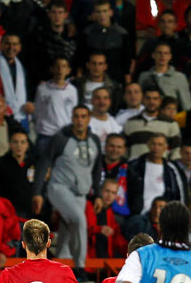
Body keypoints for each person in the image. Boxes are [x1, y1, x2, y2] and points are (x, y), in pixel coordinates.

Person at [34, 105, 102, 270]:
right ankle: (80, 266)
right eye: (76, 116)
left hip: (81, 193)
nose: (80, 120)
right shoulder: (60, 138)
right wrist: (37, 192)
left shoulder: (95, 140)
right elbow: (44, 163)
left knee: (68, 229)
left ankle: (62, 266)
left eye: (83, 116)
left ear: (89, 119)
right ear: (72, 118)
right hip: (59, 188)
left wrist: (98, 194)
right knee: (79, 220)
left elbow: (97, 169)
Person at [125, 133, 185, 216]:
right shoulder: (134, 165)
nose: (156, 148)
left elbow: (179, 195)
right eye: (153, 144)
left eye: (160, 144)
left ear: (165, 147)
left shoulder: (171, 169)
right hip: (137, 214)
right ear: (148, 145)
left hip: (162, 217)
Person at [77, 0, 132, 84]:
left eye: (105, 11)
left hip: (115, 80)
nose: (102, 15)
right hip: (91, 79)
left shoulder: (122, 33)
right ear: (94, 14)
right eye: (98, 12)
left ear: (111, 12)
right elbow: (81, 55)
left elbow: (126, 58)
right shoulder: (87, 32)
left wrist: (127, 76)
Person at [32, 56, 76, 156]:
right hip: (46, 135)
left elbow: (73, 112)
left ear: (68, 70)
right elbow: (37, 112)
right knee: (42, 166)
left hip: (65, 135)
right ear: (52, 69)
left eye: (64, 66)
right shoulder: (42, 89)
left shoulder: (72, 90)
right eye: (57, 66)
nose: (60, 69)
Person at [123, 86, 180, 160]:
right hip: (135, 169)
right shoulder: (130, 122)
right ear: (143, 99)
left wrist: (169, 166)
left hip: (160, 169)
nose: (151, 102)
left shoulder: (171, 123)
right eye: (148, 98)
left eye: (155, 99)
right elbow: (124, 150)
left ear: (160, 101)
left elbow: (176, 150)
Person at [138, 40, 191, 112]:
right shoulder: (143, 76)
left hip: (169, 117)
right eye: (159, 53)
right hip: (149, 116)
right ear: (153, 55)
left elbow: (186, 104)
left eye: (166, 53)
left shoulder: (179, 77)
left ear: (170, 56)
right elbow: (139, 100)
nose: (162, 56)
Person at [0, 34, 33, 132]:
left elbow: (27, 91)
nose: (11, 47)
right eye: (8, 43)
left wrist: (29, 103)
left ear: (19, 47)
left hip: (21, 116)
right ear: (1, 45)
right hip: (0, 117)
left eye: (15, 44)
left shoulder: (22, 68)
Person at [86, 178, 126, 259]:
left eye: (113, 193)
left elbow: (117, 238)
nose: (109, 195)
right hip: (88, 261)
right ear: (100, 191)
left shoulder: (110, 213)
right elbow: (81, 231)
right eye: (107, 191)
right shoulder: (88, 206)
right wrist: (99, 229)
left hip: (105, 262)